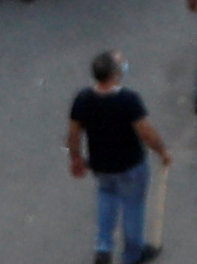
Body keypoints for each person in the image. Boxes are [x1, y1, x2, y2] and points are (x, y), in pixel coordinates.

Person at [64, 51, 158, 264]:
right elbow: (146, 132)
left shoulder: (83, 99)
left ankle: (103, 247)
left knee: (106, 197)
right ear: (114, 74)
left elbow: (73, 133)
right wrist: (162, 151)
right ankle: (133, 254)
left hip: (102, 166)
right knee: (133, 206)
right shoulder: (128, 100)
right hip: (130, 165)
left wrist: (75, 158)